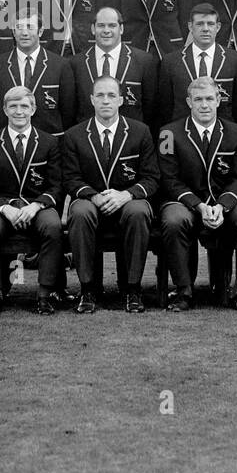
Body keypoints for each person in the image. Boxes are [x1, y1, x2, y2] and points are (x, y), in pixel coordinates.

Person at [157, 77, 237, 311]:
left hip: (225, 202)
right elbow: (169, 179)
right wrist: (199, 206)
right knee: (174, 221)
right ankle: (184, 291)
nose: (204, 105)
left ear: (218, 100)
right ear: (189, 102)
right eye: (198, 100)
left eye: (209, 99)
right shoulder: (168, 133)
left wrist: (222, 205)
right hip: (184, 202)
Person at [63, 77, 160, 313]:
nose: (106, 101)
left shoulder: (140, 131)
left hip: (127, 202)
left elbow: (151, 178)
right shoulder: (75, 134)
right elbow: (70, 178)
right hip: (92, 202)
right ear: (92, 100)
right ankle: (87, 290)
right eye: (100, 96)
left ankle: (132, 289)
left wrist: (126, 195)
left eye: (111, 96)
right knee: (79, 211)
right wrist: (94, 196)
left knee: (138, 211)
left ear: (120, 100)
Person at [0, 86, 66, 316]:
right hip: (1, 206)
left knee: (53, 225)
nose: (19, 111)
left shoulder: (49, 142)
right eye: (13, 106)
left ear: (33, 109)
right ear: (5, 109)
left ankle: (44, 295)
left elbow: (56, 185)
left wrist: (36, 206)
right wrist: (5, 208)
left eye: (24, 106)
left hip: (36, 205)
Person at [158, 3, 237, 129]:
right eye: (200, 24)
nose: (205, 29)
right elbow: (165, 107)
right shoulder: (170, 61)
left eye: (210, 24)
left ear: (218, 27)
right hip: (182, 135)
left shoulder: (236, 60)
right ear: (190, 26)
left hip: (224, 134)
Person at [0, 9, 76, 137]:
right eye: (19, 27)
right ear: (13, 31)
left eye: (29, 27)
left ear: (40, 31)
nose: (24, 33)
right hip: (8, 142)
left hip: (50, 141)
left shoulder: (60, 65)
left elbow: (68, 112)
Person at [72, 5, 159, 127]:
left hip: (131, 137)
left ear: (121, 29)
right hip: (87, 139)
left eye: (112, 25)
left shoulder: (144, 61)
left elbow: (151, 109)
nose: (106, 30)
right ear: (93, 29)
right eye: (101, 25)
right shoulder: (76, 63)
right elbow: (71, 109)